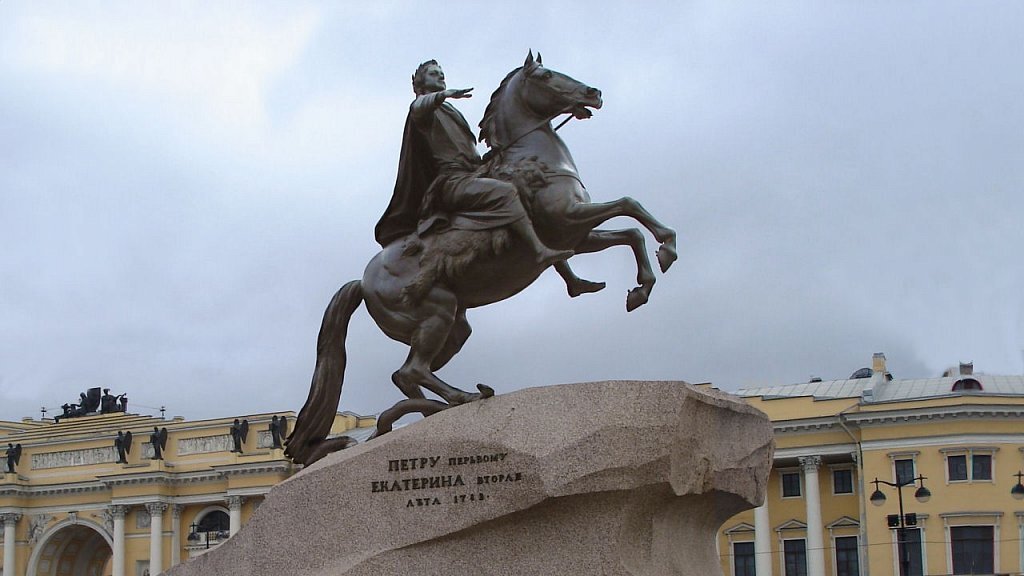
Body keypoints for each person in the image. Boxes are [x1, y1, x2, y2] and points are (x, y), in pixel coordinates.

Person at [375, 60, 573, 268]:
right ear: (420, 83)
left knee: (530, 195)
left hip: (473, 173)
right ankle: (539, 251)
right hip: (452, 183)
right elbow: (418, 106)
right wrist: (444, 94)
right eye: (434, 74)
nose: (441, 77)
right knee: (506, 192)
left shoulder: (449, 110)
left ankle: (570, 279)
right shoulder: (424, 110)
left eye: (441, 73)